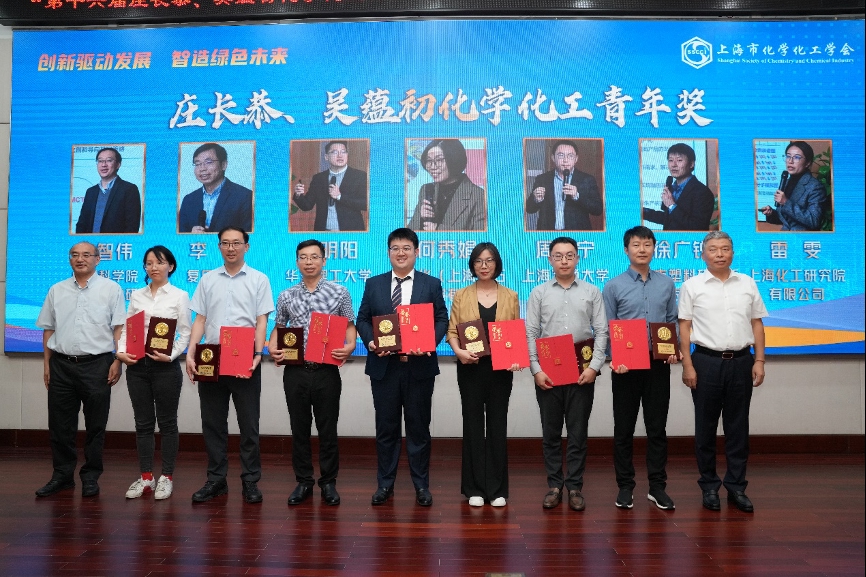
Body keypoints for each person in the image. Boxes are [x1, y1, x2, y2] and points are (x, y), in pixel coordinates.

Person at [355, 228, 448, 506]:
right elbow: (362, 320)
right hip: (384, 367)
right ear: (388, 252)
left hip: (418, 367)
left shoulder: (431, 284)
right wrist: (371, 342)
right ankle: (385, 484)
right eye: (395, 248)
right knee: (387, 430)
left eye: (406, 248)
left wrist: (429, 342)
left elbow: (442, 319)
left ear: (416, 252)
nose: (401, 253)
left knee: (419, 430)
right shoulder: (374, 284)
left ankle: (421, 486)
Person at [678, 231, 768, 513]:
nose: (720, 254)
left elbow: (757, 323)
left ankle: (736, 487)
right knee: (705, 427)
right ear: (702, 254)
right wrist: (688, 365)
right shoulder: (692, 286)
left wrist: (759, 360)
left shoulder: (747, 283)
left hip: (741, 361)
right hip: (706, 361)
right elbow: (684, 327)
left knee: (738, 427)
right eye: (714, 249)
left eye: (725, 248)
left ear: (732, 253)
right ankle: (709, 486)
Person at [185, 226, 274, 503]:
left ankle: (250, 481)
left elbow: (261, 320)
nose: (231, 248)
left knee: (249, 425)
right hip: (211, 358)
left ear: (247, 246)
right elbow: (200, 319)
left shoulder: (259, 279)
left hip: (245, 358)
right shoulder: (208, 279)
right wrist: (190, 352)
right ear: (219, 247)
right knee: (212, 423)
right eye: (225, 243)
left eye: (236, 243)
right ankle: (216, 479)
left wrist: (258, 353)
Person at [269, 239, 357, 506]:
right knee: (299, 428)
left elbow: (349, 326)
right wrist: (272, 347)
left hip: (326, 371)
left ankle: (328, 482)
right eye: (303, 257)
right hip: (295, 371)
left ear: (323, 260)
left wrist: (350, 345)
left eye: (314, 257)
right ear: (297, 261)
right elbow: (279, 328)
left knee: (327, 429)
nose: (309, 262)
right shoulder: (286, 295)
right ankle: (303, 481)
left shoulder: (339, 292)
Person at [34, 242, 126, 497]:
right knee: (60, 425)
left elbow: (119, 328)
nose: (80, 259)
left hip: (98, 365)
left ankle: (91, 476)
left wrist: (118, 361)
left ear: (98, 259)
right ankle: (62, 476)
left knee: (96, 425)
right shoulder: (57, 290)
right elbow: (48, 329)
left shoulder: (111, 289)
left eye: (86, 255)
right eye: (75, 255)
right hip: (61, 365)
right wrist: (47, 365)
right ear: (69, 259)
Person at [526, 237, 608, 511]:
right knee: (550, 433)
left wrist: (594, 367)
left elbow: (602, 331)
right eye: (558, 256)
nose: (564, 261)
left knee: (577, 433)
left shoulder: (592, 291)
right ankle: (554, 485)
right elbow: (531, 333)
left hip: (582, 372)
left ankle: (574, 486)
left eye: (569, 255)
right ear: (549, 259)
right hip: (548, 374)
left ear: (577, 259)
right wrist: (536, 370)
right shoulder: (538, 293)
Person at [602, 226, 679, 511]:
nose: (642, 249)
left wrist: (673, 350)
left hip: (658, 364)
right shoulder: (613, 286)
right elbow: (608, 327)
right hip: (626, 366)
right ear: (626, 250)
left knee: (657, 428)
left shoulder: (667, 284)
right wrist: (613, 359)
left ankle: (657, 487)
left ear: (654, 248)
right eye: (636, 245)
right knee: (623, 429)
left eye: (647, 244)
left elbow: (671, 320)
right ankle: (625, 487)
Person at [447, 242, 521, 507]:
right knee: (473, 425)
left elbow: (515, 333)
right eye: (478, 261)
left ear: (497, 264)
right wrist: (459, 352)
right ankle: (475, 488)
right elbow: (452, 332)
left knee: (498, 425)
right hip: (470, 367)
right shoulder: (461, 295)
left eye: (489, 260)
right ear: (472, 265)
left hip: (501, 369)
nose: (484, 266)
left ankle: (497, 489)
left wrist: (515, 358)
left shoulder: (511, 295)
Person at [116, 246, 192, 500]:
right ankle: (146, 477)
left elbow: (186, 332)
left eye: (159, 262)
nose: (154, 267)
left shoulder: (180, 295)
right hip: (137, 366)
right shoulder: (137, 295)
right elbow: (128, 328)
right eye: (149, 263)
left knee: (167, 423)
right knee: (143, 423)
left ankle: (166, 477)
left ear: (171, 266)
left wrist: (171, 355)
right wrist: (121, 352)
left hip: (165, 367)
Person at [407, 139, 486, 231]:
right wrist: (420, 218)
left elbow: (482, 236)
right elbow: (408, 234)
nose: (432, 167)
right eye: (429, 161)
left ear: (454, 159)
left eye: (439, 160)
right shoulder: (426, 189)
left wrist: (438, 229)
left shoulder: (479, 196)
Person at [526, 140, 603, 231]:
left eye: (570, 156)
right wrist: (536, 199)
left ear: (576, 159)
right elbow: (529, 209)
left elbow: (598, 210)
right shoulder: (542, 179)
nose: (565, 160)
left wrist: (577, 196)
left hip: (577, 234)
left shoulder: (587, 179)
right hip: (548, 233)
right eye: (561, 155)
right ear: (553, 158)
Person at [292, 141, 368, 231]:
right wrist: (298, 195)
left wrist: (340, 196)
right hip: (323, 231)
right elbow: (307, 206)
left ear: (347, 155)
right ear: (326, 157)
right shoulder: (318, 178)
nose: (340, 156)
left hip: (350, 231)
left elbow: (365, 204)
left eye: (343, 152)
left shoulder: (359, 176)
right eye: (334, 152)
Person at [178, 143, 253, 233]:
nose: (202, 168)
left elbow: (250, 236)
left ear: (223, 165)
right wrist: (189, 235)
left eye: (208, 162)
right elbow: (178, 235)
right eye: (197, 164)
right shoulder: (188, 200)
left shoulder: (245, 196)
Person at [642, 143, 714, 231]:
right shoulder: (671, 188)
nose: (674, 165)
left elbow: (697, 226)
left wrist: (672, 206)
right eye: (670, 160)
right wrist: (643, 212)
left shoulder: (702, 192)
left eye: (679, 160)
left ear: (691, 164)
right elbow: (669, 219)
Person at [759, 141, 827, 231]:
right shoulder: (786, 182)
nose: (790, 161)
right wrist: (771, 213)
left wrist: (786, 202)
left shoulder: (815, 187)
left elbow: (814, 221)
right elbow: (787, 220)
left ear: (807, 163)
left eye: (797, 157)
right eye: (788, 156)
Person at [75, 147, 141, 234]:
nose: (103, 165)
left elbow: (132, 226)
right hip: (91, 242)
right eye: (100, 161)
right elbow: (82, 224)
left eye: (109, 160)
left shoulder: (129, 189)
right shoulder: (91, 192)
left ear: (118, 164)